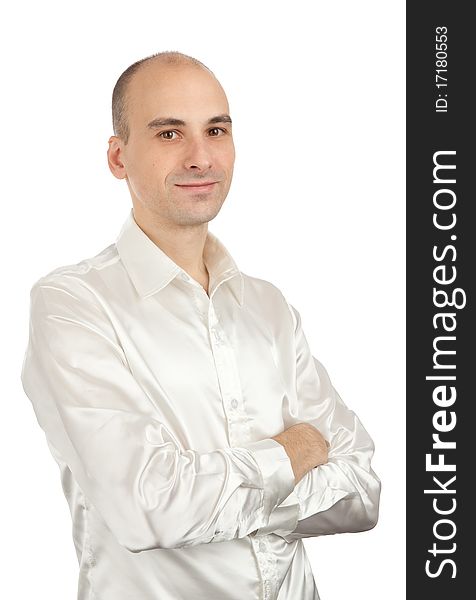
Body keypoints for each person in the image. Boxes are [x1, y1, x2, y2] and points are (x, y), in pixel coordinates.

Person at [20, 50, 381, 600]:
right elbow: (148, 509)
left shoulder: (269, 308)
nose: (200, 157)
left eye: (216, 130)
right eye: (169, 134)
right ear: (119, 157)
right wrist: (294, 452)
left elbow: (362, 492)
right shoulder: (73, 305)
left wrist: (211, 494)